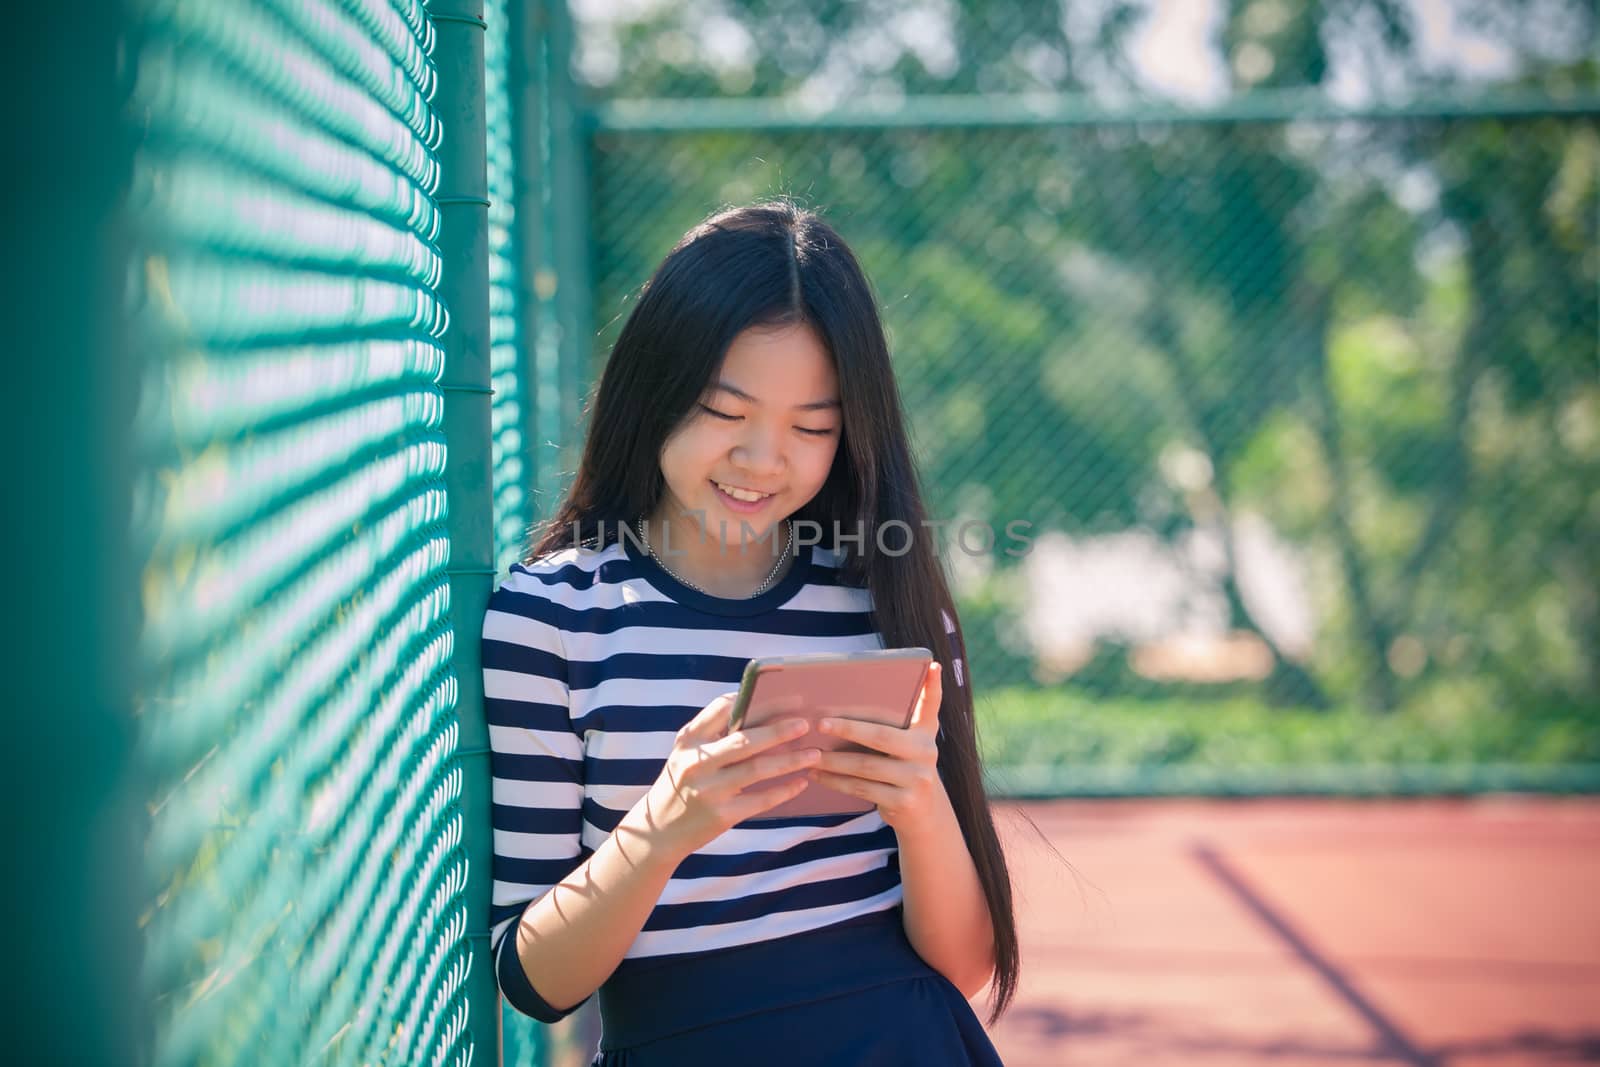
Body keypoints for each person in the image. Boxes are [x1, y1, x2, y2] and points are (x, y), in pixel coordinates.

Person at [484, 199, 1016, 1065]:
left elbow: (963, 963)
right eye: (724, 412)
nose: (763, 458)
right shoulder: (550, 618)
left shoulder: (891, 604)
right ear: (651, 390)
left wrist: (918, 804)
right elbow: (535, 977)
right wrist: (663, 827)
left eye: (812, 426)